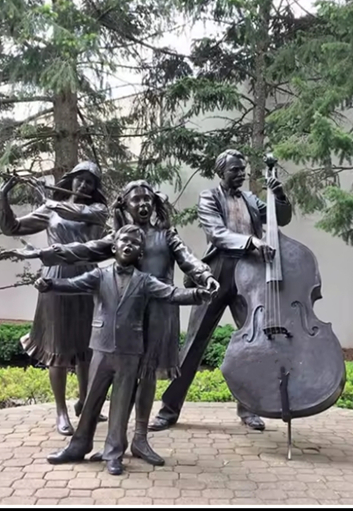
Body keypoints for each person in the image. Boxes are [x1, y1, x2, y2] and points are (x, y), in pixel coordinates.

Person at [16, 180, 218, 466]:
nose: (143, 204)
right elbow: (82, 250)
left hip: (158, 314)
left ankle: (140, 439)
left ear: (154, 203)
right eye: (136, 199)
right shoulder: (120, 238)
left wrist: (204, 275)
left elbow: (188, 259)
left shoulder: (166, 236)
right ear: (125, 205)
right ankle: (113, 444)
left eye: (147, 199)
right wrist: (43, 253)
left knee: (147, 376)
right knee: (118, 381)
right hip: (123, 318)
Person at [150, 149, 292, 433]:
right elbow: (216, 233)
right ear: (221, 172)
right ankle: (169, 409)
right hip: (217, 273)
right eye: (234, 170)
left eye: (242, 169)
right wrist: (251, 241)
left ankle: (249, 408)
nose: (241, 173)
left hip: (249, 276)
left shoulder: (251, 199)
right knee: (194, 343)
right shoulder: (209, 197)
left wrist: (279, 195)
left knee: (253, 343)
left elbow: (280, 218)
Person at [0, 161, 109, 435]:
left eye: (90, 182)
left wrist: (49, 199)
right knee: (57, 347)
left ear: (95, 188)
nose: (84, 185)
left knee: (87, 347)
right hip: (55, 278)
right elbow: (12, 228)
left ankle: (85, 403)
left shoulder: (98, 210)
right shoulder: (50, 209)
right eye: (80, 179)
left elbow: (77, 212)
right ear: (71, 180)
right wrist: (3, 198)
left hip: (88, 278)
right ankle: (61, 411)